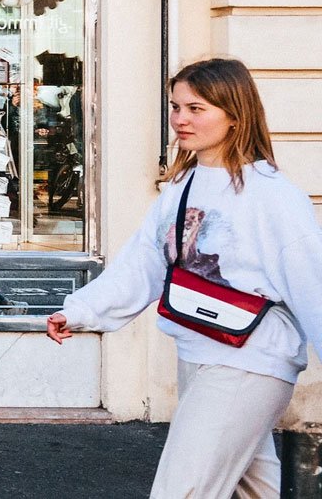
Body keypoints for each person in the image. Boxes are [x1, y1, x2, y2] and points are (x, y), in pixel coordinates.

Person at [48, 58, 322, 498]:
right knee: (257, 490)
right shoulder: (184, 185)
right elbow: (145, 263)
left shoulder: (273, 196)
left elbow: (313, 285)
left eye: (196, 109)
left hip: (253, 360)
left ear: (235, 115)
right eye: (176, 107)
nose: (180, 119)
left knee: (182, 489)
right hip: (198, 348)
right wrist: (81, 311)